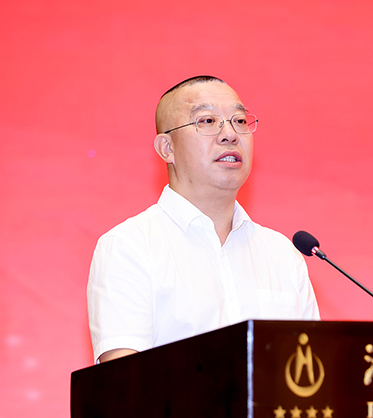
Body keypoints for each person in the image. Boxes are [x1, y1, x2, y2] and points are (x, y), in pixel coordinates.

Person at [87, 76, 320, 365]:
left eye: (239, 121)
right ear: (167, 148)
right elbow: (122, 382)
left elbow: (312, 369)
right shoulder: (129, 247)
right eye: (208, 121)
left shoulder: (282, 254)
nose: (230, 134)